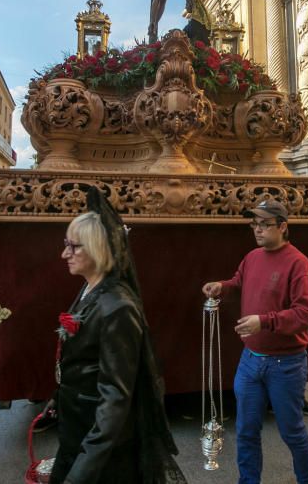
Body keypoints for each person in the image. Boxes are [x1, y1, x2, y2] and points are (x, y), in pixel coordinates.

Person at [49, 189, 184, 484]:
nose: (65, 254)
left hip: (102, 453)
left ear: (98, 249)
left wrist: (81, 474)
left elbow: (115, 398)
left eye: (74, 247)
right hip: (79, 430)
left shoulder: (117, 308)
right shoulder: (90, 290)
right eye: (65, 245)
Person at [202, 198, 308, 484]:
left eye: (264, 224)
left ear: (283, 227)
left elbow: (305, 315)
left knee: (292, 432)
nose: (257, 230)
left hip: (286, 364)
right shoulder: (252, 257)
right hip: (250, 361)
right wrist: (222, 287)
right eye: (254, 224)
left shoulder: (298, 262)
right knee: (246, 430)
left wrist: (264, 321)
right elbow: (239, 282)